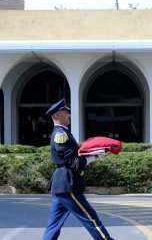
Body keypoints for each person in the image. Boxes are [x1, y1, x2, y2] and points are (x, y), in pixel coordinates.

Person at [42, 98, 114, 240]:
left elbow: (74, 155)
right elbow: (71, 162)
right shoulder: (60, 135)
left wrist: (94, 152)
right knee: (91, 220)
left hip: (61, 186)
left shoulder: (63, 133)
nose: (69, 115)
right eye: (65, 112)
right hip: (68, 185)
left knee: (53, 226)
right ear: (57, 115)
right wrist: (96, 156)